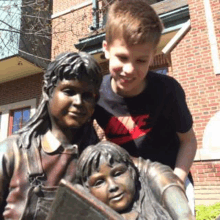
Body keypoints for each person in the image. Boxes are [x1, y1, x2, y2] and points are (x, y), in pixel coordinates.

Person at [94, 0, 197, 213]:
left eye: (141, 60)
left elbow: (188, 141)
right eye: (122, 57)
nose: (129, 69)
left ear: (152, 56)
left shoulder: (167, 91)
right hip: (126, 188)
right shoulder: (96, 94)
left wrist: (176, 180)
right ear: (106, 49)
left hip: (171, 178)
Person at [0, 52, 102, 219]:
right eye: (69, 91)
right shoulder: (11, 152)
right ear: (48, 91)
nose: (78, 102)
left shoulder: (99, 162)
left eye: (87, 96)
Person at [76, 141, 195, 220]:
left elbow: (183, 214)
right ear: (87, 190)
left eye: (117, 174)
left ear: (132, 172)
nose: (113, 186)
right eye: (99, 182)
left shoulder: (155, 178)